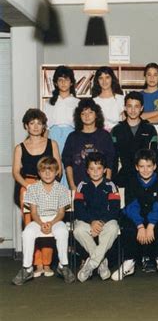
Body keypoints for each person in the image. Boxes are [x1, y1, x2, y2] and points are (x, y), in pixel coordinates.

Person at [112, 149, 158, 280]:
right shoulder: (131, 181)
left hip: (154, 217)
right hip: (136, 217)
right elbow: (131, 206)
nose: (145, 170)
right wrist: (140, 226)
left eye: (149, 166)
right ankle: (129, 261)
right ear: (136, 167)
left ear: (154, 166)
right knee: (127, 225)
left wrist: (151, 225)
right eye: (141, 166)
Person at [12, 109, 61, 277]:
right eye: (31, 123)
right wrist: (29, 186)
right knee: (31, 225)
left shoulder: (52, 144)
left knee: (48, 221)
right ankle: (36, 263)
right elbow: (16, 172)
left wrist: (47, 184)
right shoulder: (20, 147)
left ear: (43, 126)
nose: (35, 126)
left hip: (48, 185)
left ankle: (47, 263)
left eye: (39, 123)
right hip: (28, 186)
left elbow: (58, 169)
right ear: (26, 126)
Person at [12, 156, 75, 285]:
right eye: (44, 171)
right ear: (39, 173)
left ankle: (63, 266)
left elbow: (61, 213)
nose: (47, 174)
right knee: (27, 232)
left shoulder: (62, 189)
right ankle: (27, 268)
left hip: (56, 219)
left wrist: (51, 223)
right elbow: (33, 212)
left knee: (62, 231)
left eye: (51, 170)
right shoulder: (33, 188)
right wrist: (41, 224)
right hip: (39, 220)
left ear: (57, 172)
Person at [73, 152, 120, 282]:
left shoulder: (111, 185)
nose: (95, 172)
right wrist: (91, 222)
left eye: (99, 168)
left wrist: (101, 222)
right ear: (87, 171)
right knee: (78, 230)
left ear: (104, 170)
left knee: (113, 228)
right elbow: (78, 209)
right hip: (88, 221)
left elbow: (115, 209)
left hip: (105, 221)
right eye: (92, 169)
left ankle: (92, 264)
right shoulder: (82, 185)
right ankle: (101, 263)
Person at [62, 99, 115, 190]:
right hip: (78, 187)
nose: (87, 116)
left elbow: (110, 161)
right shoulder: (72, 137)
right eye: (83, 113)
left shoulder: (104, 136)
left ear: (96, 115)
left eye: (90, 112)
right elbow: (67, 163)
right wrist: (72, 186)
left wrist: (107, 184)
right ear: (79, 116)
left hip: (101, 187)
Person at [111, 91, 158, 187]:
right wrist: (112, 181)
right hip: (124, 178)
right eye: (129, 106)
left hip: (145, 177)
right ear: (124, 108)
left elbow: (153, 156)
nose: (133, 110)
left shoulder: (149, 129)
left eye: (136, 106)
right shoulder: (116, 130)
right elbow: (113, 159)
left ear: (141, 108)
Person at [43, 65, 80, 185]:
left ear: (71, 83)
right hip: (54, 138)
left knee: (70, 166)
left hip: (71, 137)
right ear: (55, 83)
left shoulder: (77, 103)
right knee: (54, 167)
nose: (63, 83)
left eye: (67, 79)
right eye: (60, 80)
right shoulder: (49, 103)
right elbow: (46, 128)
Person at [91, 66, 124, 131]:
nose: (104, 81)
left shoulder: (121, 99)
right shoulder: (93, 101)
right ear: (97, 81)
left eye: (107, 77)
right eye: (101, 78)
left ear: (112, 79)